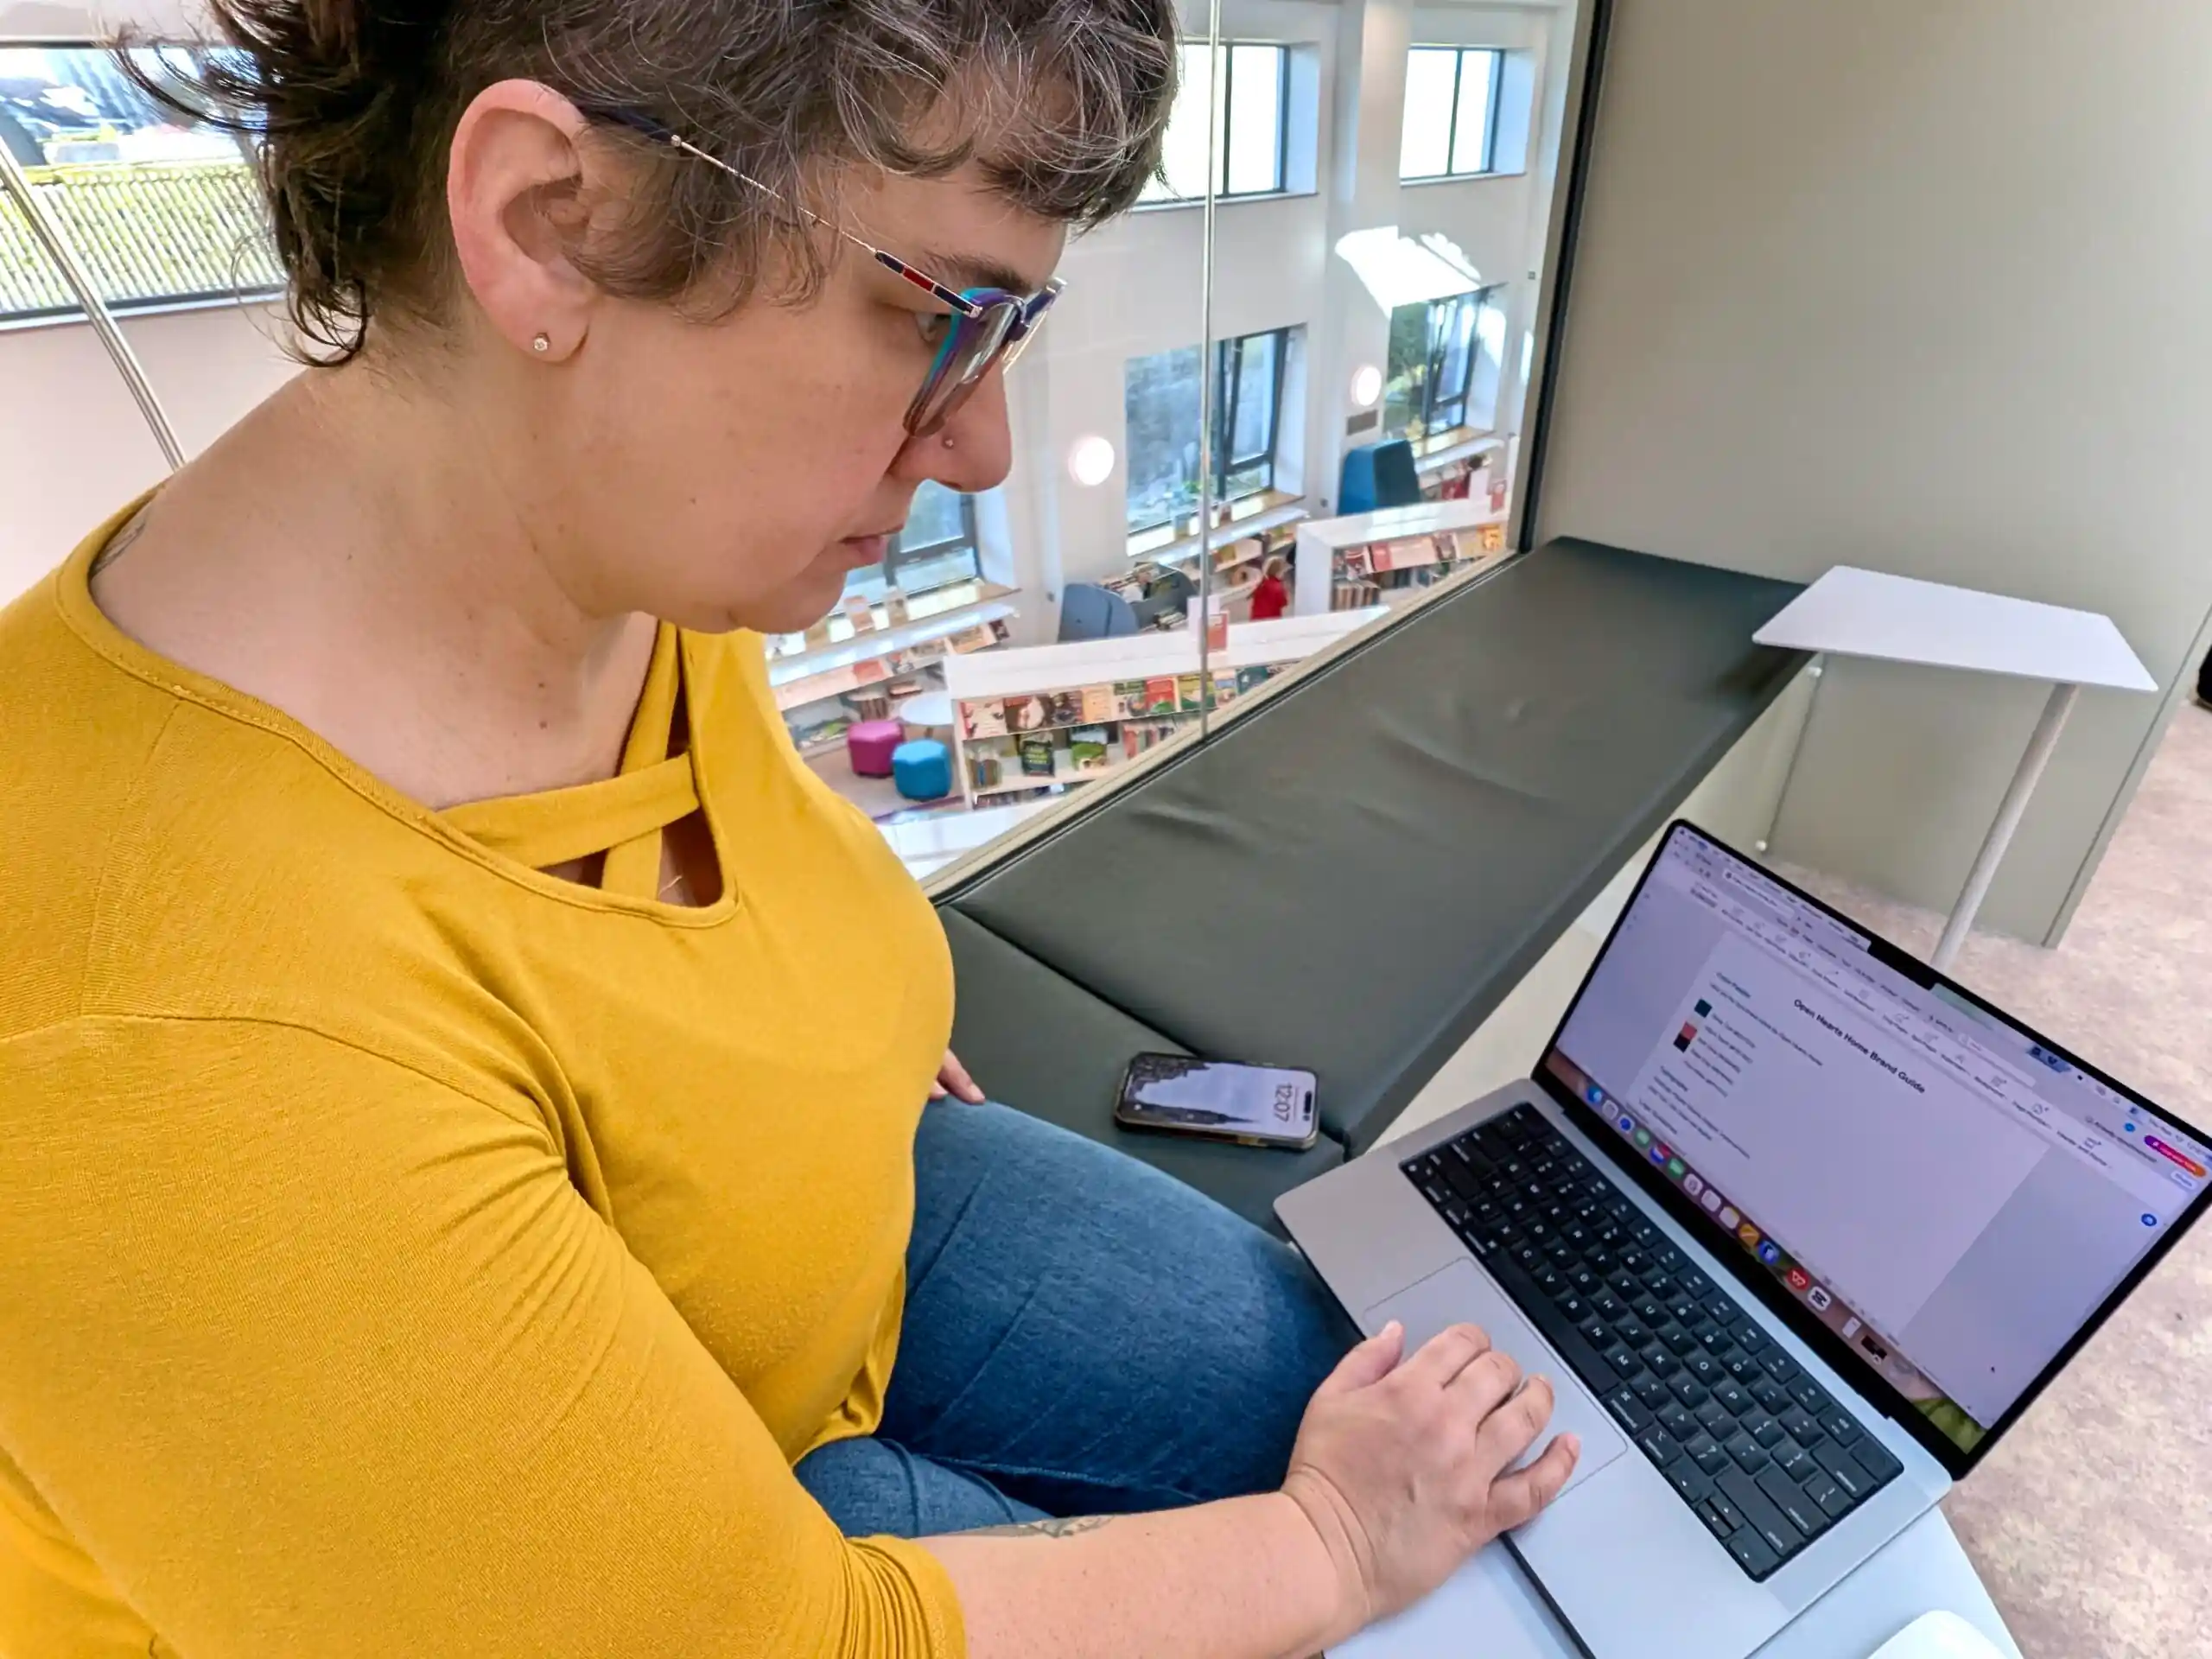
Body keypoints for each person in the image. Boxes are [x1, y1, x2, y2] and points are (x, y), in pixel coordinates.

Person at [0, 0, 1576, 1653]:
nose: (980, 446)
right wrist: (1329, 1546)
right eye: (945, 317)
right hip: (705, 1579)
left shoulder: (613, 539)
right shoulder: (162, 1038)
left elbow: (692, 873)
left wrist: (818, 1014)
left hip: (850, 1240)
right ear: (556, 222)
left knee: (1437, 1415)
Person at [1249, 554, 1292, 620]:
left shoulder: (1261, 583)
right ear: (1279, 572)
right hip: (1271, 618)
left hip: (1256, 617)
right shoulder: (1278, 587)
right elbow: (1283, 603)